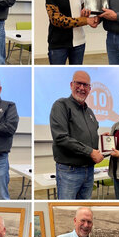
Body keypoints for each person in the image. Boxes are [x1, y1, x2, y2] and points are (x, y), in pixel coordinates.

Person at [49, 71, 103, 200]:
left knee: (84, 208)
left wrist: (102, 138)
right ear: (71, 84)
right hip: (69, 171)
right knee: (67, 209)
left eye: (85, 85)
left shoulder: (89, 111)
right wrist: (90, 152)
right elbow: (61, 138)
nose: (82, 88)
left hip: (89, 170)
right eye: (78, 83)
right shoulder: (61, 105)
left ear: (90, 89)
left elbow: (87, 135)